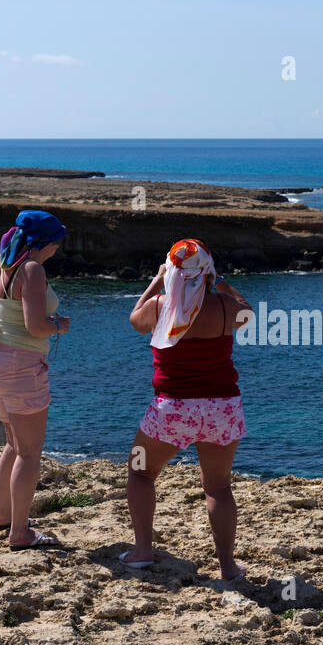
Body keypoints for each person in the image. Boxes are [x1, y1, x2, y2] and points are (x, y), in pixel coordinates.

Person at [123, 239, 251, 581]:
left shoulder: (160, 306)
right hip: (221, 408)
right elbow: (247, 311)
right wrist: (219, 280)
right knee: (218, 487)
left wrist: (157, 280)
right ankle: (227, 566)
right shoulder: (225, 307)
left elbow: (135, 320)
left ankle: (142, 551)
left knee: (139, 471)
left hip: (173, 409)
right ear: (207, 271)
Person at [0, 210, 70, 550]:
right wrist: (59, 325)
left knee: (15, 445)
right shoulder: (32, 270)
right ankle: (20, 533)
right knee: (29, 454)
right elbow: (35, 326)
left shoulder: (0, 262)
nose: (57, 249)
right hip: (20, 367)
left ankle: (3, 516)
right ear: (44, 243)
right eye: (56, 242)